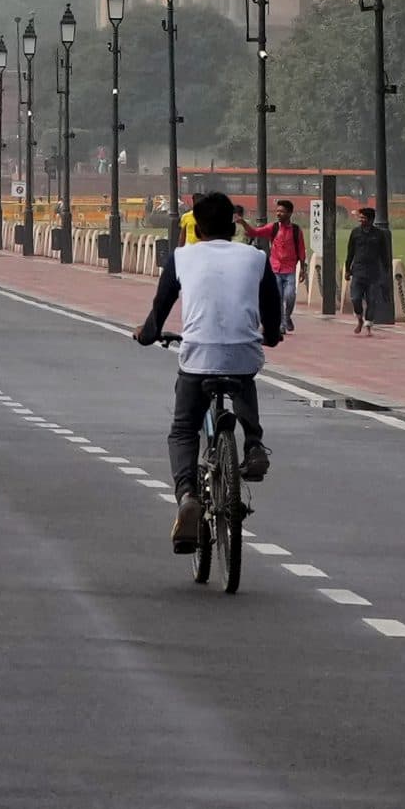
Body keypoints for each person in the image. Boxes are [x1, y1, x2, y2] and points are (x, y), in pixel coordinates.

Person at [134, 192, 284, 554]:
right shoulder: (256, 257)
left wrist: (148, 334)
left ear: (196, 227)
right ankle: (252, 443)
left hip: (198, 357)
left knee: (184, 429)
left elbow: (161, 307)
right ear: (233, 226)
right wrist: (272, 334)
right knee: (244, 377)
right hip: (243, 353)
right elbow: (271, 307)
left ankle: (187, 495)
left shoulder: (181, 257)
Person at [250, 199, 306, 333]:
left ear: (289, 213)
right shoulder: (273, 228)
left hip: (290, 269)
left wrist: (303, 269)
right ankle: (281, 324)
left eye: (282, 211)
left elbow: (301, 250)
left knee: (290, 296)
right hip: (275, 268)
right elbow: (256, 232)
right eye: (277, 211)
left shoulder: (296, 230)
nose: (278, 214)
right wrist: (243, 224)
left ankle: (287, 317)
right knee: (278, 298)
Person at [345, 205, 390, 334]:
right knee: (355, 298)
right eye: (360, 218)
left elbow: (384, 255)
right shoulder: (355, 233)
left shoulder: (379, 234)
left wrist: (385, 272)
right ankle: (359, 318)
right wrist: (348, 269)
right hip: (358, 271)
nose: (361, 220)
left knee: (371, 299)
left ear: (371, 220)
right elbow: (350, 252)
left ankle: (369, 325)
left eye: (363, 218)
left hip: (374, 273)